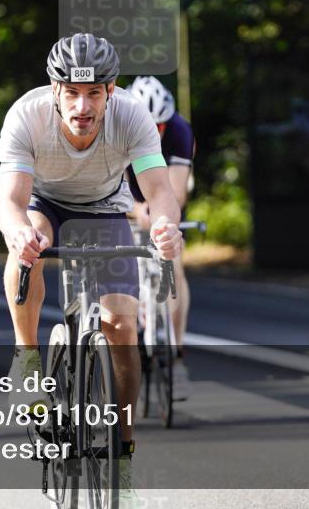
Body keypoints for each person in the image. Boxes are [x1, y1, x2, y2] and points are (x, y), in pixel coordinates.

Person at [0, 32, 182, 500]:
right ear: (54, 89)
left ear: (111, 91)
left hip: (103, 209)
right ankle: (28, 358)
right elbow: (11, 199)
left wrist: (164, 227)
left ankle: (122, 456)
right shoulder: (26, 114)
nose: (82, 105)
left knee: (122, 324)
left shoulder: (132, 116)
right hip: (45, 203)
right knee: (29, 248)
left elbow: (159, 190)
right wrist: (19, 232)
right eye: (72, 92)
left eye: (94, 92)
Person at [125, 76, 197, 398]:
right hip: (126, 199)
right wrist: (135, 211)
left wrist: (160, 217)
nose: (155, 134)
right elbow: (106, 187)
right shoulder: (116, 126)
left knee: (175, 266)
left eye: (160, 128)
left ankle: (176, 356)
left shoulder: (180, 131)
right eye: (148, 127)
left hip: (160, 199)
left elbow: (177, 192)